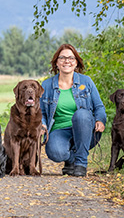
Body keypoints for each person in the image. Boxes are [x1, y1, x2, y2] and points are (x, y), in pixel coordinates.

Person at [41, 44, 106, 177]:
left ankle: (81, 163)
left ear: (76, 62)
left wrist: (100, 120)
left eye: (71, 58)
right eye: (62, 58)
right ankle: (72, 160)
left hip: (85, 129)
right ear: (56, 63)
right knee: (56, 153)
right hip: (59, 130)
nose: (67, 61)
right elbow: (40, 111)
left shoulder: (86, 81)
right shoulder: (47, 85)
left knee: (81, 114)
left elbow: (99, 106)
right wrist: (42, 124)